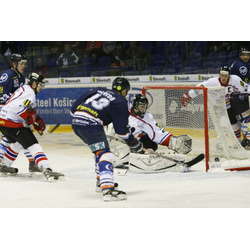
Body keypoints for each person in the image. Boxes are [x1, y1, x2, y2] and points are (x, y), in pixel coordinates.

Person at [70, 77, 144, 201]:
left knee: (99, 151)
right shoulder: (120, 101)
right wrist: (134, 143)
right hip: (91, 124)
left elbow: (73, 110)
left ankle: (101, 182)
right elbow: (122, 132)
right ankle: (108, 189)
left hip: (76, 122)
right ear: (125, 91)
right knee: (106, 154)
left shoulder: (98, 90)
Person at [0, 72, 64, 181]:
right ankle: (47, 169)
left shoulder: (24, 88)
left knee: (17, 143)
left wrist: (34, 118)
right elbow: (20, 110)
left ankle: (4, 165)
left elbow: (25, 108)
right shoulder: (30, 93)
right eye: (40, 85)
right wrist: (32, 120)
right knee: (34, 146)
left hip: (2, 121)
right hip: (13, 123)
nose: (41, 88)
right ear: (34, 84)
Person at [110, 94, 192, 173]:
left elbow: (157, 132)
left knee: (147, 150)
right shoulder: (125, 110)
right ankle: (132, 159)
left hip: (142, 144)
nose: (143, 109)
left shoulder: (146, 117)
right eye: (141, 107)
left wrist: (172, 141)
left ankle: (145, 155)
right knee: (117, 158)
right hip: (130, 144)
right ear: (135, 105)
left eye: (145, 107)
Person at [181, 66, 250, 145]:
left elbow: (246, 88)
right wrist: (188, 96)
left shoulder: (235, 80)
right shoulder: (212, 82)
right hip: (217, 107)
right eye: (222, 75)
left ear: (229, 75)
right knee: (223, 125)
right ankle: (220, 145)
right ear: (219, 74)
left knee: (234, 124)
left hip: (229, 106)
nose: (223, 78)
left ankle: (239, 143)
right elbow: (200, 88)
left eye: (226, 76)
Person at [0, 53, 40, 172]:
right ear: (14, 64)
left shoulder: (21, 76)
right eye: (21, 63)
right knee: (11, 138)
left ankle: (32, 163)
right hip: (6, 112)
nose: (23, 66)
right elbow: (2, 96)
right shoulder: (7, 76)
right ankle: (32, 163)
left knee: (21, 137)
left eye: (24, 63)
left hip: (14, 112)